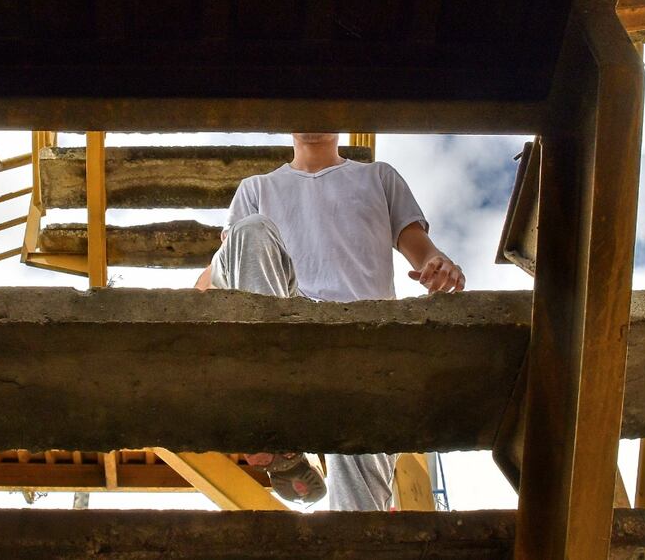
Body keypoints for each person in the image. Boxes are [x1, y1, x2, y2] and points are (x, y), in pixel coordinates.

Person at [194, 132, 465, 510]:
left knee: (360, 511)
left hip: (361, 336)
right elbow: (231, 259)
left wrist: (437, 264)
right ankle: (275, 423)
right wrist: (192, 302)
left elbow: (420, 248)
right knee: (250, 230)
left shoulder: (379, 177)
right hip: (287, 322)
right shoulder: (256, 188)